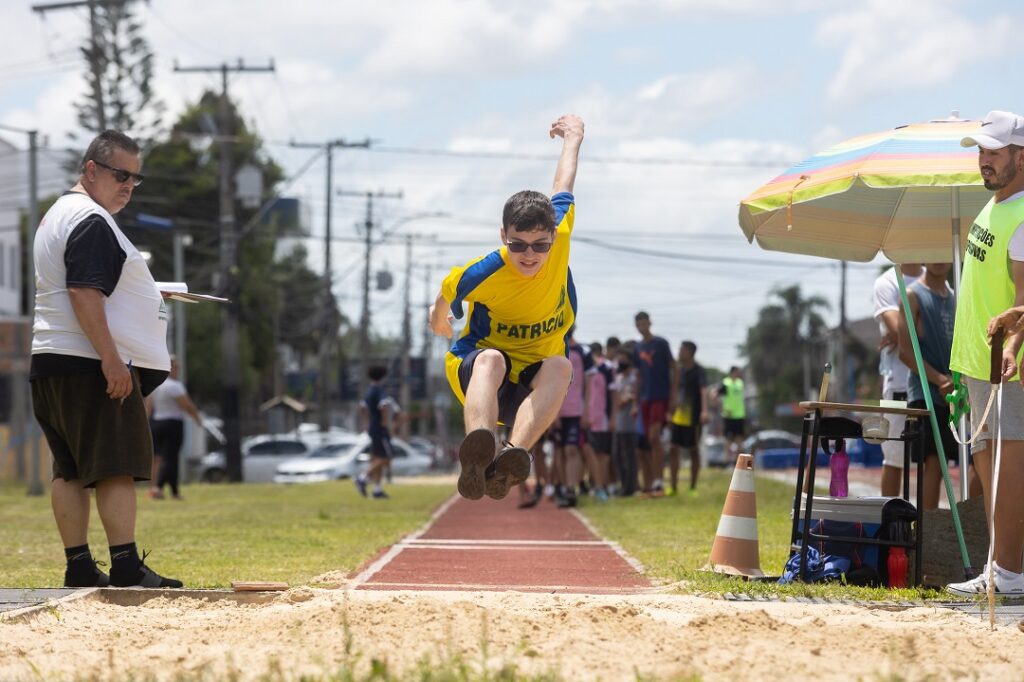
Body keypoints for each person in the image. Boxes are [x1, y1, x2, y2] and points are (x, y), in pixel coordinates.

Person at [30, 130, 181, 588]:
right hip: (88, 364)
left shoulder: (59, 214)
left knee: (70, 470)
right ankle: (126, 565)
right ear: (91, 170)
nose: (128, 186)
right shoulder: (91, 220)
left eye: (135, 179)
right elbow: (84, 290)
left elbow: (82, 288)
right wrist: (112, 360)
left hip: (53, 359)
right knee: (116, 465)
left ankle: (78, 565)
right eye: (120, 174)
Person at [429, 114, 584, 501]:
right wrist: (437, 319)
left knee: (563, 366)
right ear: (504, 237)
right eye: (518, 245)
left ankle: (510, 457)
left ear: (553, 236)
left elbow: (563, 183)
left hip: (529, 380)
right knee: (492, 360)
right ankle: (479, 450)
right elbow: (447, 291)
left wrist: (574, 138)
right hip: (480, 374)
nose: (529, 255)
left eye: (539, 245)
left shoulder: (561, 233)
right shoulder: (485, 271)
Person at [946, 110, 1024, 596]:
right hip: (976, 362)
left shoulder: (1022, 213)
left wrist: (1014, 342)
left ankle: (1010, 574)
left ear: (1021, 156)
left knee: (1009, 472)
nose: (983, 161)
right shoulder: (994, 206)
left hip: (1009, 367)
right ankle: (998, 568)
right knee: (985, 469)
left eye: (994, 152)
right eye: (980, 152)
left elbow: (1023, 300)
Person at [896, 263, 958, 511]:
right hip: (925, 394)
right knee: (933, 463)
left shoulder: (956, 297)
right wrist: (939, 380)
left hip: (955, 395)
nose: (938, 260)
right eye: (932, 254)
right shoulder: (913, 295)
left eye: (943, 254)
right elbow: (905, 352)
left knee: (951, 465)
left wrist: (956, 381)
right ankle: (926, 531)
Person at [873, 263, 923, 496]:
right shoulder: (887, 283)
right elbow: (897, 332)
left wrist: (907, 329)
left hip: (932, 382)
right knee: (893, 457)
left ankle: (928, 524)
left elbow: (904, 333)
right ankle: (889, 526)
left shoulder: (937, 280)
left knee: (932, 458)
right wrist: (921, 325)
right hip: (897, 384)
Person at [146, 355, 202, 500]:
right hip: (172, 423)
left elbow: (149, 408)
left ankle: (170, 491)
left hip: (156, 423)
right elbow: (186, 405)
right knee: (170, 458)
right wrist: (197, 418)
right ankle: (158, 487)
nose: (177, 370)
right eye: (176, 367)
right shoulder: (175, 386)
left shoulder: (156, 386)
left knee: (157, 459)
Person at [633, 311, 674, 496]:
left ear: (650, 323)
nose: (642, 327)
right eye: (638, 324)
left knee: (655, 437)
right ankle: (650, 483)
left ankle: (659, 482)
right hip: (644, 399)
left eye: (644, 323)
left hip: (660, 396)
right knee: (646, 442)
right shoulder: (638, 347)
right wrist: (635, 402)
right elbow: (638, 376)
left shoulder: (661, 344)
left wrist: (673, 396)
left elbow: (674, 369)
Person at [553, 327, 591, 508]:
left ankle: (570, 488)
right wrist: (552, 412)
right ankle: (560, 487)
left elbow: (588, 383)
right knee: (559, 451)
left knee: (571, 450)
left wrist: (587, 409)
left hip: (575, 410)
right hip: (555, 409)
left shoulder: (582, 352)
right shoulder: (552, 347)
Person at [668, 340, 708, 496]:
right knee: (673, 449)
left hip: (693, 417)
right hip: (678, 417)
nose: (679, 352)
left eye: (682, 349)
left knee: (693, 451)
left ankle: (692, 486)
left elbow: (703, 390)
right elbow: (674, 391)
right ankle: (673, 486)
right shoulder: (678, 371)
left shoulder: (699, 371)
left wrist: (704, 411)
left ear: (690, 352)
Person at [356, 365, 397, 500]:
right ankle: (362, 478)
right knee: (386, 457)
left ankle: (377, 490)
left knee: (376, 457)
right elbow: (384, 405)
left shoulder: (369, 391)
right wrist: (385, 422)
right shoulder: (379, 390)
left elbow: (362, 407)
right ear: (383, 377)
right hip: (380, 428)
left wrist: (367, 422)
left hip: (373, 427)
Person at [583, 341, 612, 502]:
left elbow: (612, 394)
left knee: (601, 454)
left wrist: (612, 416)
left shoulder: (606, 368)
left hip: (601, 419)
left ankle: (602, 487)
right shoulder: (585, 368)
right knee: (589, 452)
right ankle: (596, 485)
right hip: (586, 417)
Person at [610, 349, 639, 496]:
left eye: (623, 359)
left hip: (630, 424)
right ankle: (623, 486)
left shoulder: (634, 378)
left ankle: (631, 487)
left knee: (629, 457)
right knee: (617, 456)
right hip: (619, 423)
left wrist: (628, 400)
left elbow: (633, 397)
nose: (620, 363)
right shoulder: (618, 378)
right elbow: (618, 401)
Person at [720, 366, 746, 460]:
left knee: (739, 438)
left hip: (739, 415)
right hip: (729, 415)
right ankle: (727, 460)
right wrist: (724, 409)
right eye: (737, 372)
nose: (739, 374)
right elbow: (718, 395)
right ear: (732, 372)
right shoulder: (726, 383)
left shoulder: (740, 383)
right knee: (728, 438)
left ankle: (737, 460)